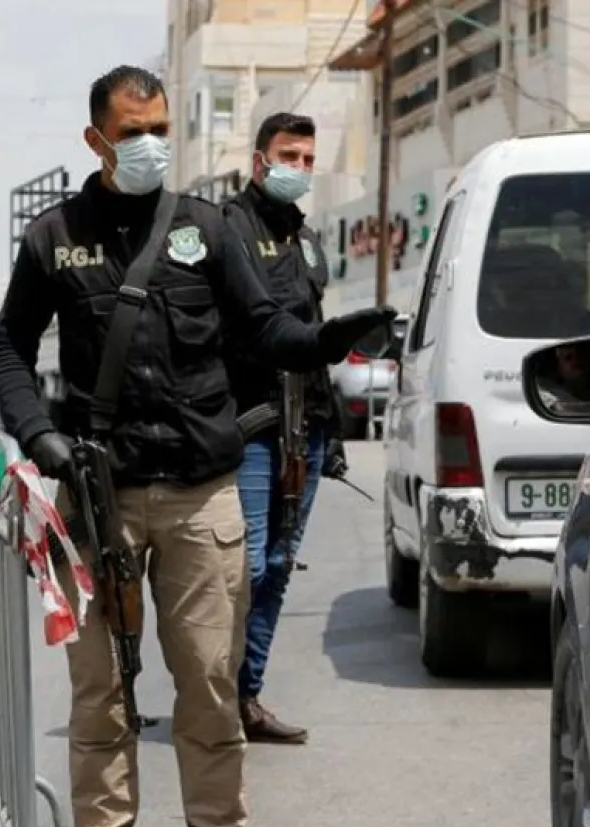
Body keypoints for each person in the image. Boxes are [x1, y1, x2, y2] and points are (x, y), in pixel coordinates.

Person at [0, 64, 395, 827]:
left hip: (201, 492)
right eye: (131, 132)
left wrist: (326, 341)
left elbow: (265, 329)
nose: (148, 146)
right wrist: (40, 436)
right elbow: (9, 353)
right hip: (96, 495)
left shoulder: (207, 227)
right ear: (95, 139)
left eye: (161, 129)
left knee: (208, 679)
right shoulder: (53, 237)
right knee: (99, 687)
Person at [220, 111, 342, 745]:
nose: (297, 168)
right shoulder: (230, 227)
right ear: (259, 158)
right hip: (255, 423)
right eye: (287, 155)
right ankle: (213, 697)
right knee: (244, 568)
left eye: (308, 159)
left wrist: (335, 434)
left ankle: (248, 696)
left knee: (279, 562)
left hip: (309, 423)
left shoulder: (306, 238)